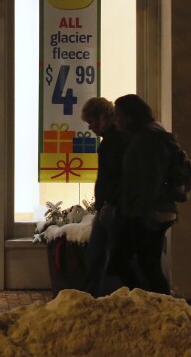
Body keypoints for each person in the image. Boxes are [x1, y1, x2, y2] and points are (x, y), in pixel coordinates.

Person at [108, 94, 178, 295]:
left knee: (142, 264)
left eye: (117, 115)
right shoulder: (146, 136)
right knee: (144, 263)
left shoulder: (146, 140)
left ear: (129, 117)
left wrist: (143, 213)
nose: (115, 120)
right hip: (147, 211)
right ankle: (151, 303)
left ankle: (156, 305)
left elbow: (149, 180)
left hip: (148, 213)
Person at [79, 97, 128, 296]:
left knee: (100, 256)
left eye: (91, 121)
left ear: (102, 117)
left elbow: (117, 176)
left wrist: (109, 202)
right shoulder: (114, 140)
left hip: (111, 208)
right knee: (98, 255)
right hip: (109, 207)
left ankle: (91, 297)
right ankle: (91, 296)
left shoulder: (114, 142)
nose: (90, 127)